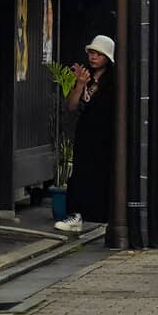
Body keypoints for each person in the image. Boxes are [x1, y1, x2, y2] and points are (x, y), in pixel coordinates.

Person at [55, 35, 114, 232]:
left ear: (107, 57)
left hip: (107, 135)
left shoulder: (113, 80)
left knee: (103, 175)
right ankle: (76, 215)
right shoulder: (85, 78)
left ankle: (103, 215)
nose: (93, 57)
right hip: (85, 133)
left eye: (98, 54)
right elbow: (71, 107)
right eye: (91, 53)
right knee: (79, 174)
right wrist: (80, 84)